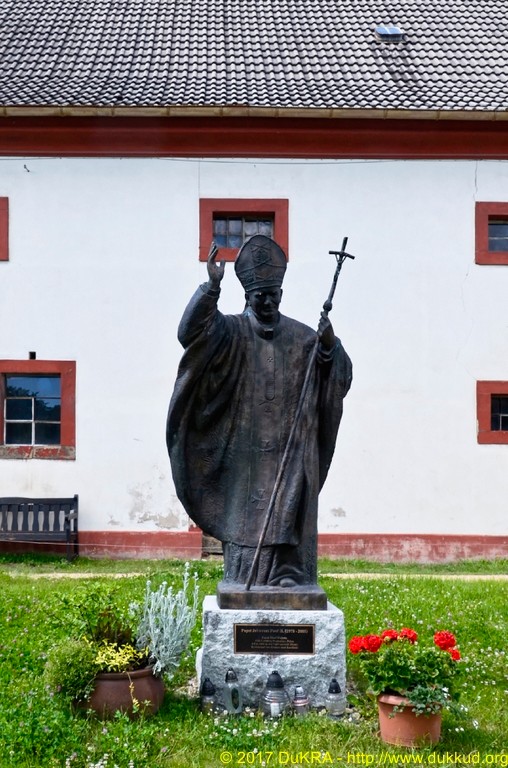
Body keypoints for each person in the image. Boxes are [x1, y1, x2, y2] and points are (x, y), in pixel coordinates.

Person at [167, 235, 352, 588]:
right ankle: (242, 579)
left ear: (281, 293)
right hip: (242, 453)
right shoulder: (231, 331)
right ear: (247, 297)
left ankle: (287, 576)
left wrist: (329, 345)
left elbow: (340, 377)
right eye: (259, 297)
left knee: (287, 514)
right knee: (242, 516)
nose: (267, 302)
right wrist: (211, 288)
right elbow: (189, 333)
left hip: (289, 454)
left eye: (273, 296)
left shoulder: (303, 338)